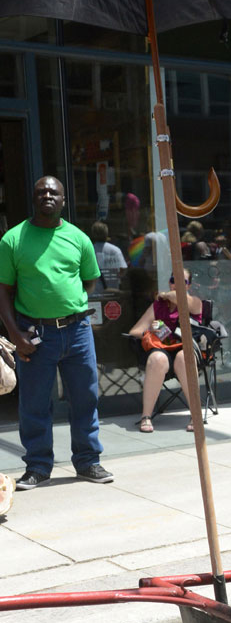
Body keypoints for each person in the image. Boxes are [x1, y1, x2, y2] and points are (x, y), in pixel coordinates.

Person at [0, 176, 113, 489]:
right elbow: (3, 290)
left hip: (77, 331)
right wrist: (15, 333)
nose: (47, 195)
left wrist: (66, 304)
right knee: (34, 403)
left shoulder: (78, 238)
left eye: (53, 191)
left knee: (85, 397)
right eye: (41, 191)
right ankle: (37, 466)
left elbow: (89, 281)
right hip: (34, 333)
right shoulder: (13, 239)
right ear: (34, 198)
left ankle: (88, 462)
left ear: (64, 199)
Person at [128, 268, 203, 433]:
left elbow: (180, 298)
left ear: (189, 286)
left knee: (184, 358)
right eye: (173, 280)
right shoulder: (159, 305)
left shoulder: (194, 302)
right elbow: (135, 331)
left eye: (182, 282)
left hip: (188, 349)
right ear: (169, 282)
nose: (176, 284)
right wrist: (156, 331)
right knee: (156, 360)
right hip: (164, 349)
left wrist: (164, 294)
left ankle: (196, 415)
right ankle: (146, 416)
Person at [89, 220, 127, 289]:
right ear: (107, 233)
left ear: (93, 234)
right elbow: (123, 269)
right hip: (113, 292)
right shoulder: (115, 250)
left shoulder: (89, 251)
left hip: (95, 293)